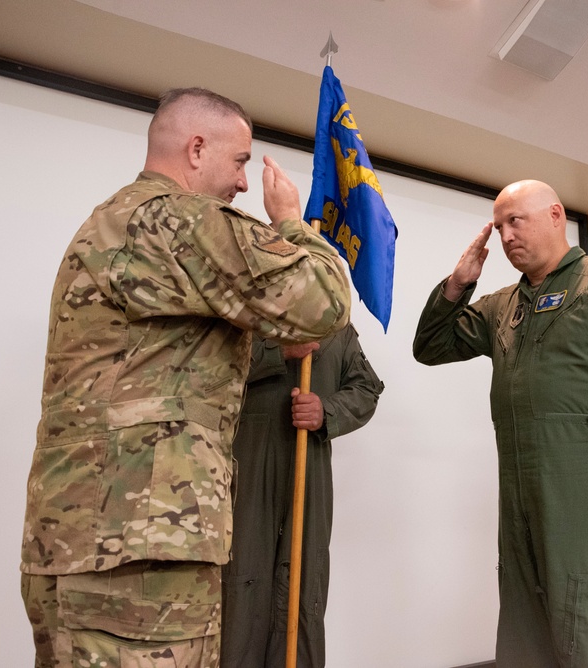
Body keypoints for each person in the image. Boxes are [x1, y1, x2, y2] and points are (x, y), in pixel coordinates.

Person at [19, 87, 351, 668]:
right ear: (197, 148)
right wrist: (294, 225)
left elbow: (161, 353)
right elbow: (323, 300)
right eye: (241, 161)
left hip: (74, 539)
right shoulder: (181, 218)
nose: (245, 182)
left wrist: (265, 332)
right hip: (145, 548)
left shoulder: (105, 224)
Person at [412, 179, 588, 668]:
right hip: (521, 510)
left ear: (556, 215)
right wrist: (459, 284)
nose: (505, 237)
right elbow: (430, 347)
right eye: (498, 228)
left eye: (515, 221)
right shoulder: (504, 304)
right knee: (526, 647)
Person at [221, 324, 384, 667]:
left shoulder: (335, 328)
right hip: (247, 465)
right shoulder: (246, 317)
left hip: (309, 467)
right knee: (242, 580)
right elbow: (209, 369)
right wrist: (277, 352)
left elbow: (367, 388)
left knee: (303, 581)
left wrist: (327, 411)